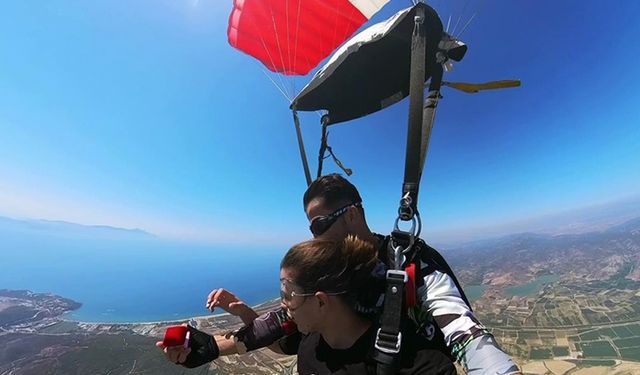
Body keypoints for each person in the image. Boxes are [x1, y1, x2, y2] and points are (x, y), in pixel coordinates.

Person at [158, 174, 521, 374]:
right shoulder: (332, 266)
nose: (313, 236)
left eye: (319, 225)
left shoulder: (408, 261)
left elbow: (463, 330)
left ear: (351, 214)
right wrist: (210, 348)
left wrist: (494, 366)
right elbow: (287, 324)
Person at [280, 235, 457, 374]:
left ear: (321, 302)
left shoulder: (417, 364)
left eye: (287, 295)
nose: (283, 304)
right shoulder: (310, 348)